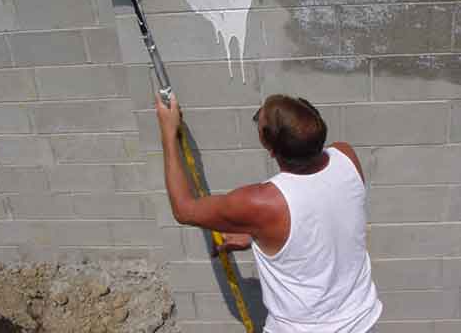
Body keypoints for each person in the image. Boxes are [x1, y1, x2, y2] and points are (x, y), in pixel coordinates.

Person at [156, 93, 382, 332]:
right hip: (362, 322)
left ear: (269, 147)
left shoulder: (264, 203)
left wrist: (168, 134)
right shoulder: (347, 157)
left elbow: (183, 209)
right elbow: (322, 213)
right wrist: (264, 235)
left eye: (258, 120)